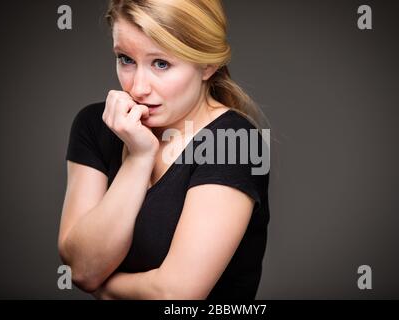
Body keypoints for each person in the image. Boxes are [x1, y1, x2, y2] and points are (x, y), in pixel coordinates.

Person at [58, 0, 270, 300]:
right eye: (125, 59)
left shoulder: (234, 142)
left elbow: (176, 295)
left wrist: (103, 288)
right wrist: (139, 158)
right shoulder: (95, 125)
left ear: (207, 64)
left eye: (161, 63)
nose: (138, 87)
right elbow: (82, 268)